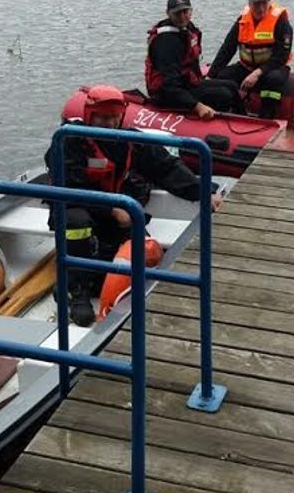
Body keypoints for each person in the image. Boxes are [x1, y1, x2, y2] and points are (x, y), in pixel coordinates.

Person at [47, 84, 224, 326]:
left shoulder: (129, 140)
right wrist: (111, 207)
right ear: (90, 115)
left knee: (138, 250)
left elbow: (166, 167)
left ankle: (90, 279)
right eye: (102, 117)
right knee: (77, 223)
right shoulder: (69, 141)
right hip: (76, 208)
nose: (109, 124)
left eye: (113, 118)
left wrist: (203, 193)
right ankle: (76, 290)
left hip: (116, 213)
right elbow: (67, 186)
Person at [145, 0, 242, 119]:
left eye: (185, 12)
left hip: (186, 84)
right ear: (168, 14)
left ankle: (247, 120)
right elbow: (169, 85)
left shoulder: (187, 29)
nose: (182, 16)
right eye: (177, 13)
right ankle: (223, 125)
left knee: (232, 86)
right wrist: (197, 106)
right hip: (167, 92)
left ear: (191, 11)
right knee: (223, 95)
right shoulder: (165, 42)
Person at [209, 0, 293, 118]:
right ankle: (235, 110)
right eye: (256, 4)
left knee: (273, 79)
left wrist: (258, 73)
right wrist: (211, 75)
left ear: (269, 2)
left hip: (272, 68)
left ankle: (267, 114)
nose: (260, 8)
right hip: (246, 67)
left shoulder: (280, 22)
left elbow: (281, 56)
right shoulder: (242, 21)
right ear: (249, 4)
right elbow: (227, 49)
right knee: (222, 76)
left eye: (264, 3)